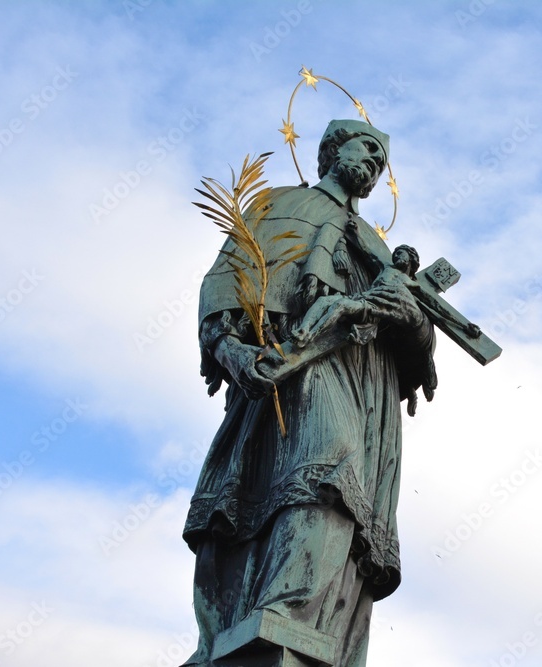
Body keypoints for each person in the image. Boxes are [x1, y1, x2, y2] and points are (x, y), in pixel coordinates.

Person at [183, 119, 436, 667]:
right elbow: (225, 279)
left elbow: (420, 344)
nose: (373, 163)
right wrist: (231, 350)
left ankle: (312, 630)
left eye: (381, 161)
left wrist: (412, 318)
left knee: (342, 488)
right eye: (365, 148)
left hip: (369, 384)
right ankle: (271, 620)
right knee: (318, 468)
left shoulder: (377, 245)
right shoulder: (280, 204)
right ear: (330, 149)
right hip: (294, 362)